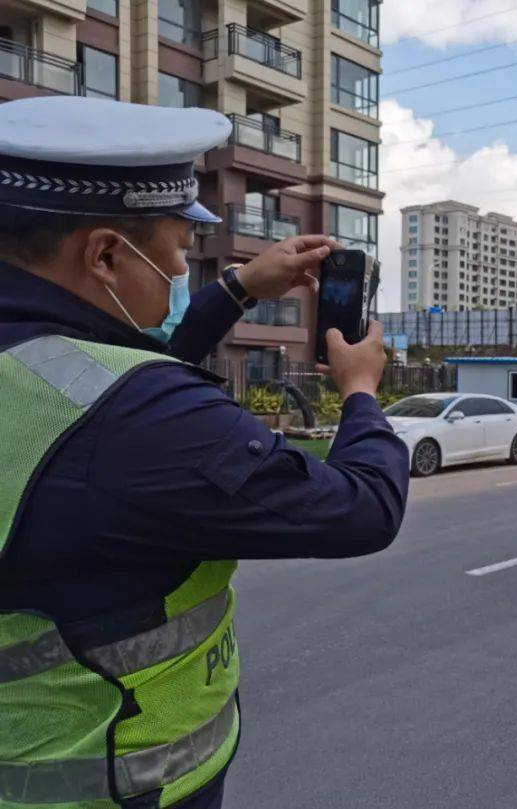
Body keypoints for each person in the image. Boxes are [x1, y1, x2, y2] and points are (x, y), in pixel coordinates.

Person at [0, 97, 409, 808]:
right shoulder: (141, 420)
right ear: (104, 254)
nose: (182, 262)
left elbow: (95, 393)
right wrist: (362, 392)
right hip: (106, 782)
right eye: (176, 245)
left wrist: (237, 290)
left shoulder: (47, 376)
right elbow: (362, 509)